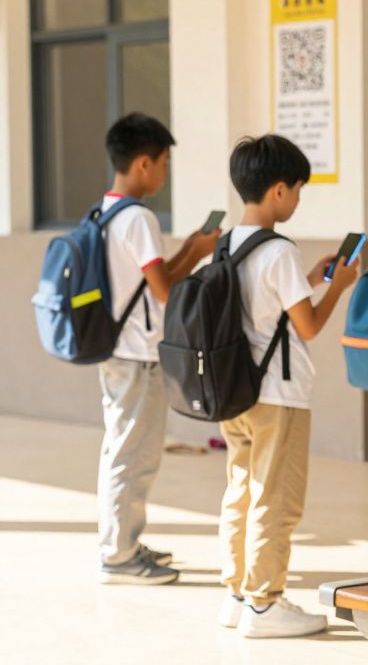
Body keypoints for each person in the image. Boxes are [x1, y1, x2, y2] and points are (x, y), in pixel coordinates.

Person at [216, 135, 359, 638]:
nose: (298, 198)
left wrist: (312, 278)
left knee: (241, 491)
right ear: (278, 190)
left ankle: (237, 595)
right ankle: (264, 604)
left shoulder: (227, 243)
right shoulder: (278, 250)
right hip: (278, 394)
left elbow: (262, 308)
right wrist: (338, 285)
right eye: (298, 189)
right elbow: (309, 325)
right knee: (275, 499)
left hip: (235, 389)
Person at [97, 113, 220, 585]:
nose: (165, 174)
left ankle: (123, 542)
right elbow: (165, 290)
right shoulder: (139, 217)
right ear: (143, 163)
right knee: (134, 455)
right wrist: (198, 253)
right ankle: (119, 556)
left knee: (122, 449)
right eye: (164, 163)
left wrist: (189, 249)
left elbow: (152, 278)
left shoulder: (106, 211)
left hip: (116, 349)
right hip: (136, 353)